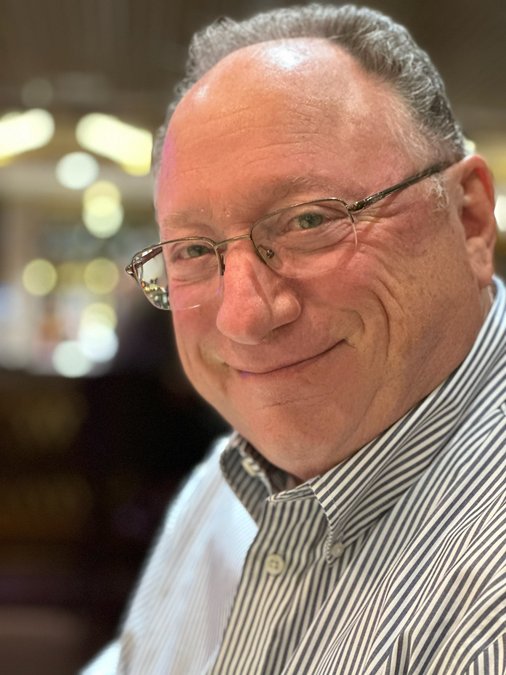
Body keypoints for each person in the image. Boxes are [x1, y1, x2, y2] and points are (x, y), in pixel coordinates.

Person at [84, 4, 505, 674]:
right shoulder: (229, 483)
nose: (243, 317)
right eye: (192, 250)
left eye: (309, 220)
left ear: (471, 219)